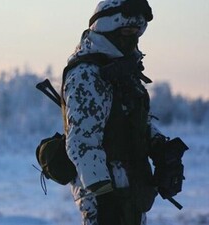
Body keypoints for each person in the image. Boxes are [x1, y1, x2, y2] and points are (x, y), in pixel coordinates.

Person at [62, 0, 166, 224]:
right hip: (104, 195)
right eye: (127, 31)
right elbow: (82, 141)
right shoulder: (87, 74)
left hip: (130, 186)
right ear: (107, 29)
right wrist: (103, 194)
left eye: (137, 32)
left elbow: (134, 120)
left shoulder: (122, 70)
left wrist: (163, 149)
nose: (133, 37)